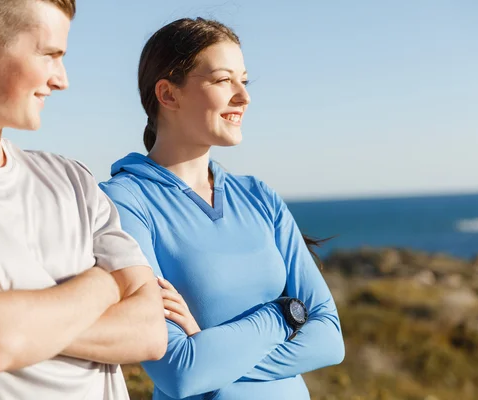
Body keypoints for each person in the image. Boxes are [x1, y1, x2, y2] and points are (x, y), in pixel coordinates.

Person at [0, 1, 167, 399]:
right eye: (50, 55)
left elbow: (151, 331)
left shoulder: (73, 181)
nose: (62, 80)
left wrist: (22, 327)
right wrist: (105, 284)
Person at [100, 18, 345, 400]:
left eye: (243, 81)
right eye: (222, 80)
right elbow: (178, 372)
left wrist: (209, 350)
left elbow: (330, 338)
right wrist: (282, 315)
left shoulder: (259, 196)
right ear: (168, 95)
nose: (243, 97)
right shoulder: (124, 201)